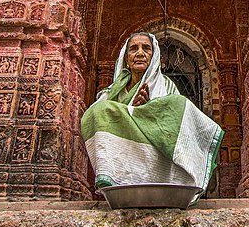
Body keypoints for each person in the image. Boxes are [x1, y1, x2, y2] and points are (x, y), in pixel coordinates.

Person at [81, 31, 224, 201]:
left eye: (146, 49)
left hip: (156, 153)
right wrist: (132, 112)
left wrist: (149, 110)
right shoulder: (113, 91)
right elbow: (98, 118)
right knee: (99, 110)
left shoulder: (166, 86)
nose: (140, 53)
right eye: (134, 49)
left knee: (177, 102)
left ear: (154, 56)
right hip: (126, 156)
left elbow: (173, 124)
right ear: (126, 58)